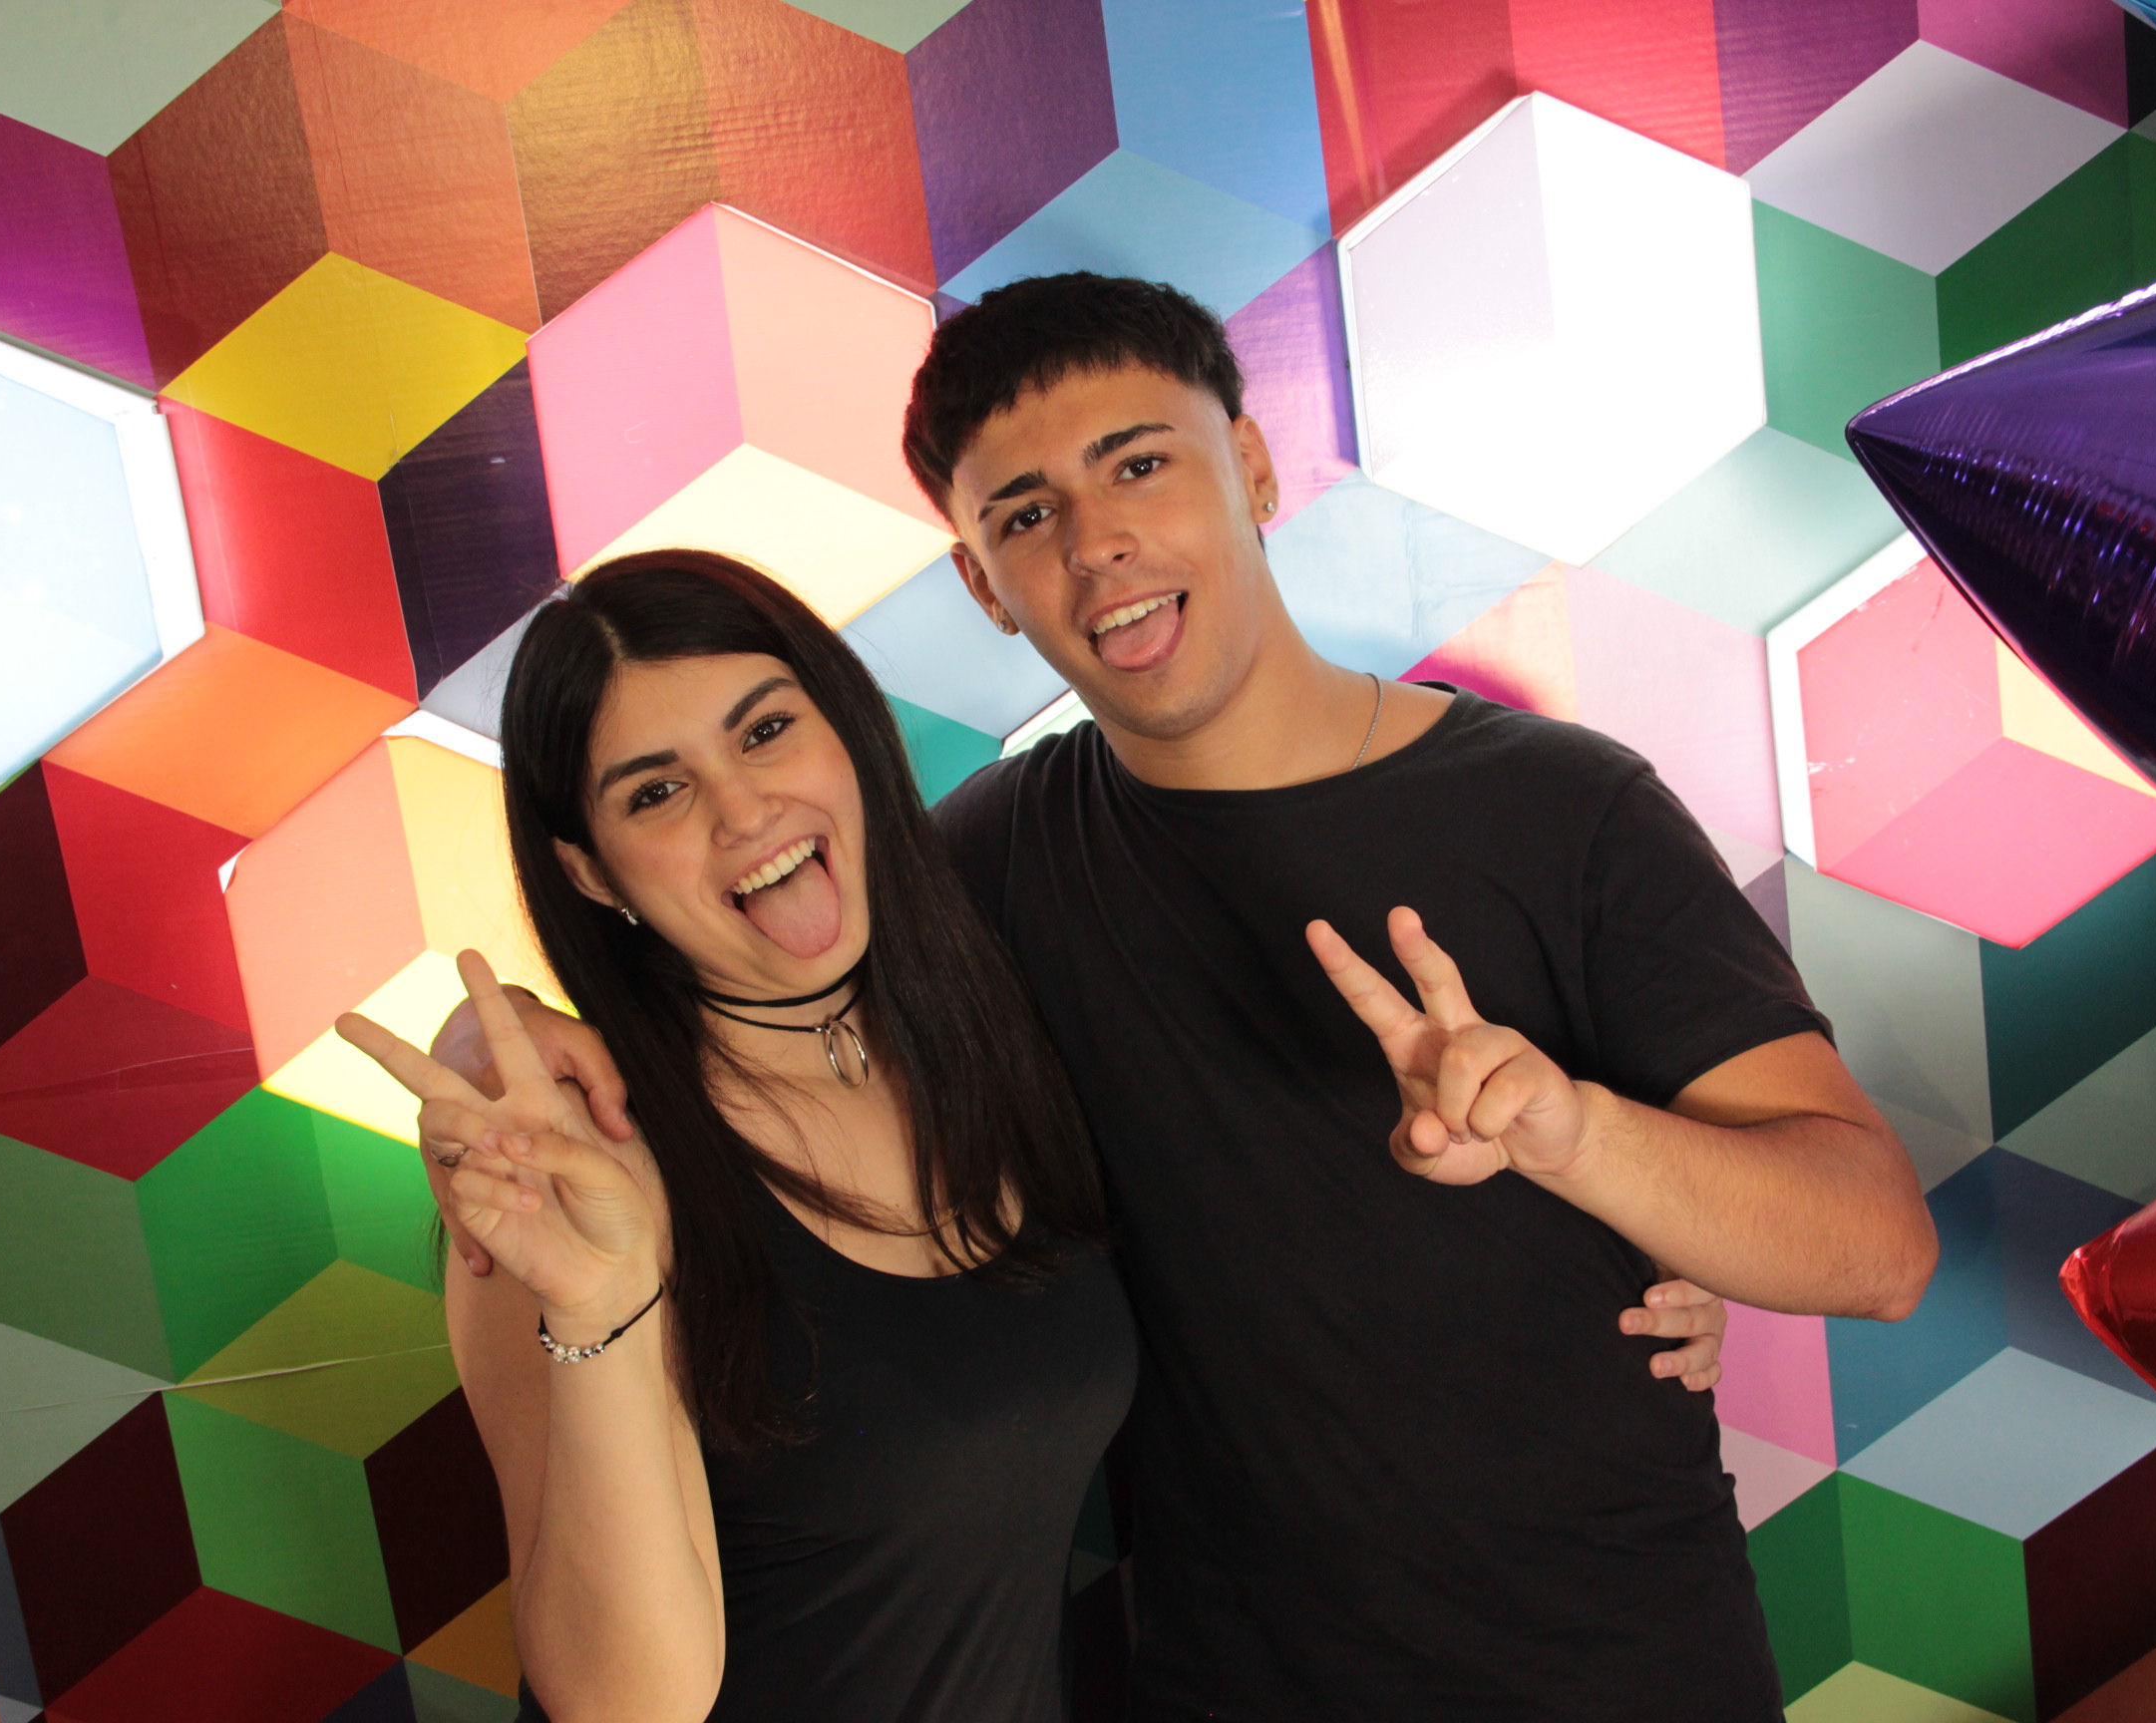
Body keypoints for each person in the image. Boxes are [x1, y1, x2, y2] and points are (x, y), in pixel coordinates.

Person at [462, 274, 1916, 1719]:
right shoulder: (977, 876)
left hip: (1624, 1673)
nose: (1096, 543)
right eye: (1025, 516)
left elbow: (1877, 1251)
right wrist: (505, 1034)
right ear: (983, 586)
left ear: (1255, 467)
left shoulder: (1564, 810)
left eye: (1138, 465)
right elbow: (731, 947)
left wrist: (1586, 1144)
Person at [337, 552, 1136, 1723]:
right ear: (588, 869)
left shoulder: (994, 1024)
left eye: (765, 731)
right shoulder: (569, 1169)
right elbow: (626, 1706)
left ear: (847, 728)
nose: (745, 810)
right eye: (656, 792)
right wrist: (600, 1304)